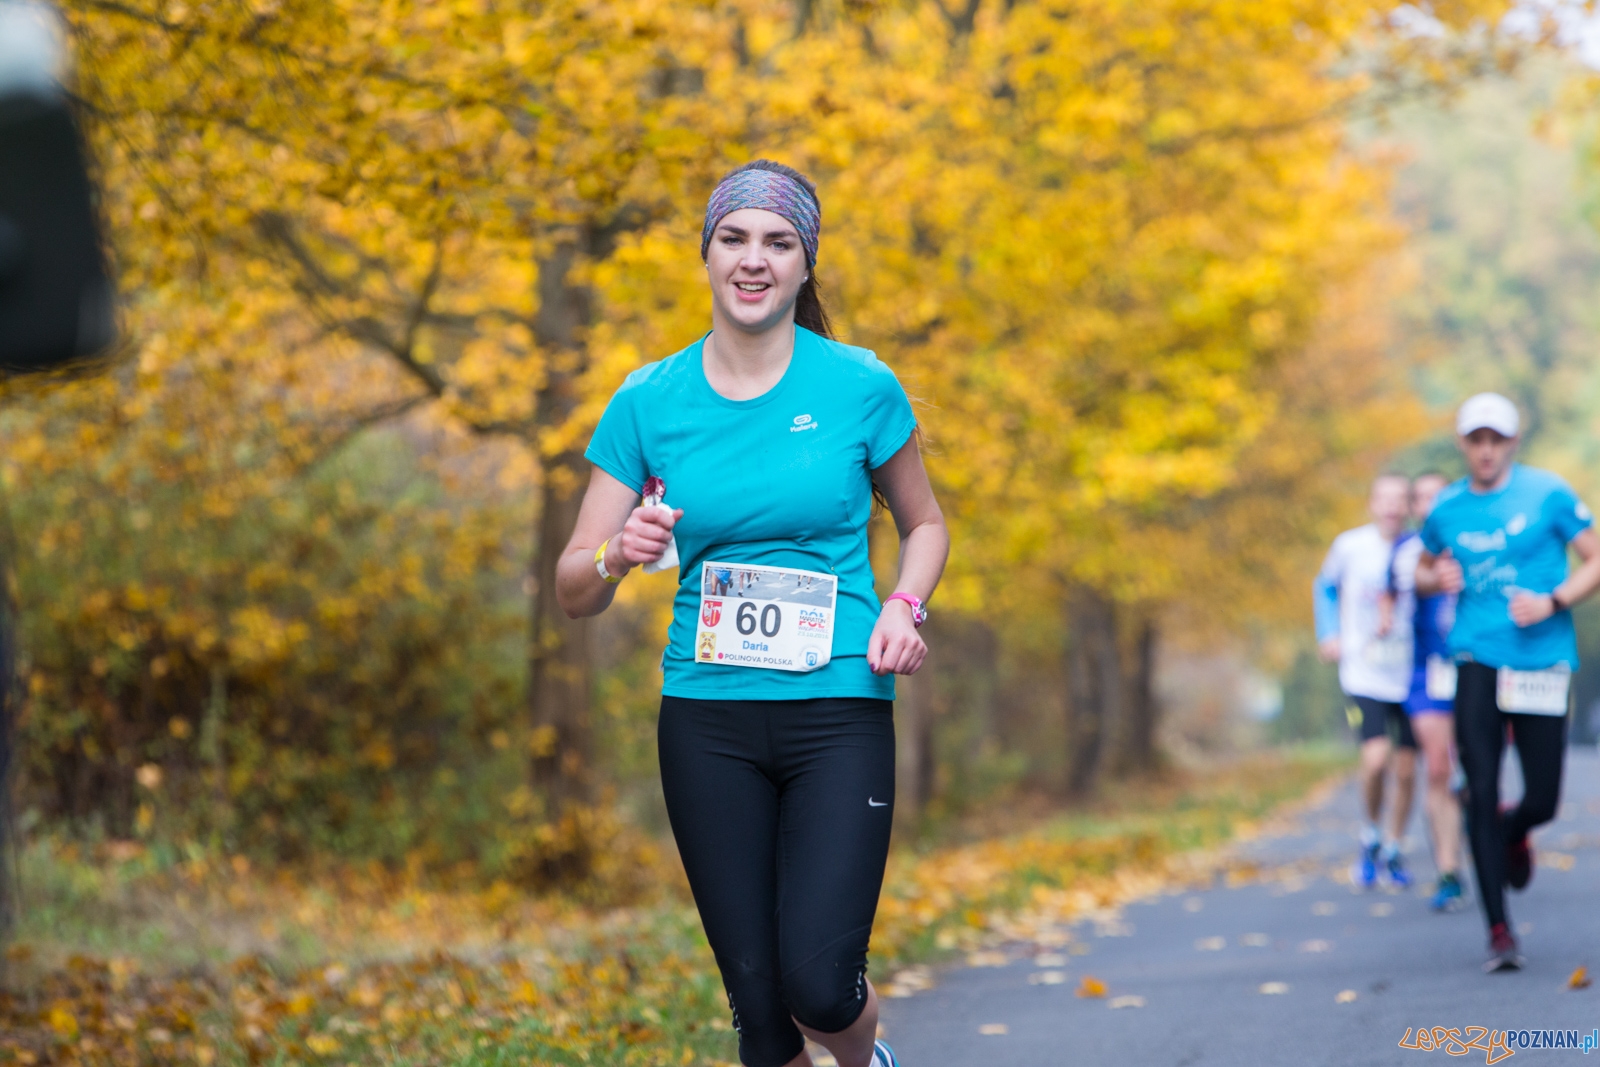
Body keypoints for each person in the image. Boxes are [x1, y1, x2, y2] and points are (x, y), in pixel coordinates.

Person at [555, 160, 949, 1067]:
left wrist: (904, 604)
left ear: (806, 264)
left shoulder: (858, 384)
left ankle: (864, 1060)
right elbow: (576, 584)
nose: (754, 259)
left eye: (778, 242)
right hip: (706, 722)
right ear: (707, 254)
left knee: (819, 984)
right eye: (734, 238)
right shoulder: (649, 399)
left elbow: (924, 524)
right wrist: (622, 552)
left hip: (839, 709)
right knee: (763, 1022)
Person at [1415, 393, 1600, 972]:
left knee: (1541, 798)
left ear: (1512, 444)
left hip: (1541, 661)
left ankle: (1516, 831)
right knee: (1480, 789)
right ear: (1463, 446)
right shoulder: (1445, 509)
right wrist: (1433, 578)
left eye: (1496, 440)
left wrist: (1554, 600)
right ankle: (1499, 930)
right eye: (1476, 441)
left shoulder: (1547, 493)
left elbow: (1595, 559)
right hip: (1476, 658)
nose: (1486, 450)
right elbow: (1422, 567)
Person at [1314, 475, 1419, 889]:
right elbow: (1324, 586)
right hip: (1364, 671)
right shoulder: (1349, 546)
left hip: (1409, 673)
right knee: (1376, 760)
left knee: (1408, 771)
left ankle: (1395, 845)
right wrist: (1329, 633)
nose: (1392, 507)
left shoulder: (1417, 550)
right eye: (1385, 500)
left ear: (1408, 507)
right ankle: (1370, 833)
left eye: (1400, 500)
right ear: (1372, 504)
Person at [1386, 473, 1465, 911]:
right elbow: (1401, 588)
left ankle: (1477, 823)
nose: (1429, 504)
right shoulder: (1408, 552)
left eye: (1438, 496)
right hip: (1427, 671)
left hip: (1477, 665)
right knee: (1437, 767)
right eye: (1421, 498)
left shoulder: (1477, 537)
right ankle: (1449, 871)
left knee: (1472, 771)